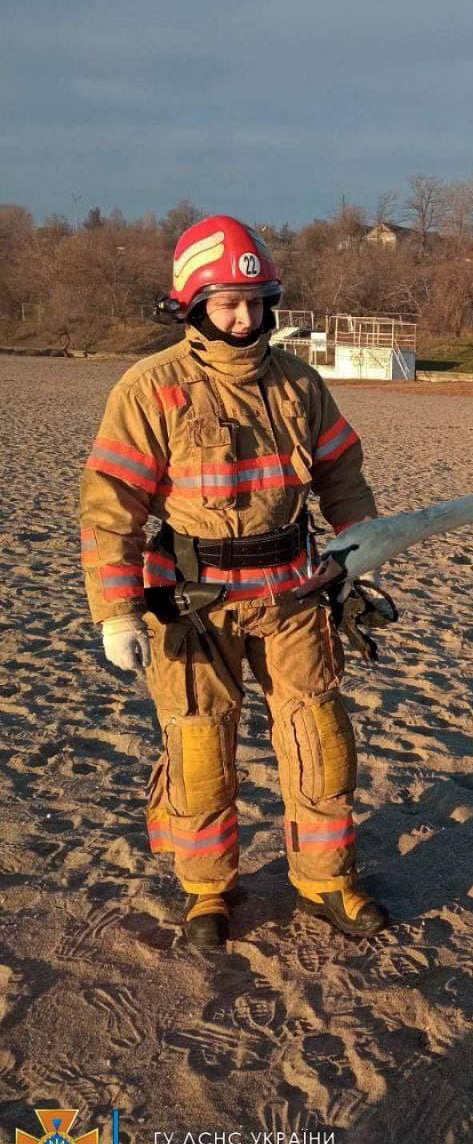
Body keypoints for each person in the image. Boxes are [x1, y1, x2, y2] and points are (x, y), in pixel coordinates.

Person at [78, 215, 387, 950]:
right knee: (199, 749)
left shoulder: (300, 384)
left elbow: (343, 474)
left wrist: (355, 559)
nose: (244, 318)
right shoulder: (149, 388)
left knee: (320, 737)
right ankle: (207, 890)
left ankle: (324, 880)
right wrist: (116, 612)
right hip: (191, 606)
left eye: (255, 302)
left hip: (294, 597)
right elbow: (110, 506)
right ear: (193, 305)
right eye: (226, 304)